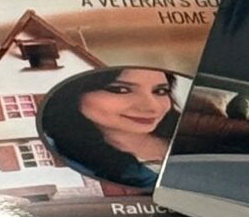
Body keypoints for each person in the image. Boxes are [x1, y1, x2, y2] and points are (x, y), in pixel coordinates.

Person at [38, 66, 182, 191]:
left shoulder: (192, 137)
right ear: (72, 94)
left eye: (160, 91)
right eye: (120, 89)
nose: (152, 107)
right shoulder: (64, 155)